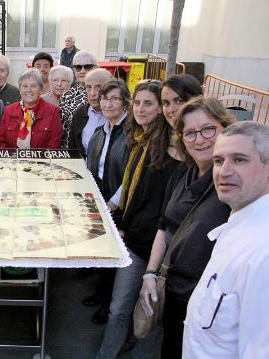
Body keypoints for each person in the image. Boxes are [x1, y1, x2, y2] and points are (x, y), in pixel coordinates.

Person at [140, 97, 234, 359]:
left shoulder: (231, 186)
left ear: (224, 128)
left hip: (205, 305)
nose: (199, 139)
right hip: (173, 293)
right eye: (190, 133)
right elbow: (164, 224)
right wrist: (150, 273)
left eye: (208, 129)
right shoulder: (183, 173)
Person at [94, 80, 178, 359]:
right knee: (119, 307)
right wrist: (114, 208)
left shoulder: (173, 150)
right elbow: (131, 190)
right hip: (134, 236)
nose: (141, 109)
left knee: (148, 317)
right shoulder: (141, 139)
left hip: (157, 243)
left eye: (150, 104)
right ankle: (106, 354)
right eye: (138, 103)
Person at [182, 121, 269, 359]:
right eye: (219, 161)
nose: (224, 171)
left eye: (239, 160)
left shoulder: (263, 254)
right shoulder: (238, 223)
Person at [83, 78, 130, 326]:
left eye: (114, 99)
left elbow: (131, 177)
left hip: (117, 205)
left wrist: (111, 204)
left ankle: (108, 305)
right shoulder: (102, 130)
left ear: (124, 102)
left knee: (114, 256)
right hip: (98, 198)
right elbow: (94, 166)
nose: (108, 103)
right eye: (104, 98)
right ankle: (101, 293)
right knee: (102, 250)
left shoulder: (132, 134)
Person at [0, 68, 62, 149]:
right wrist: (11, 160)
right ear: (20, 89)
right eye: (25, 86)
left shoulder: (53, 112)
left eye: (33, 86)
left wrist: (38, 161)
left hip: (42, 161)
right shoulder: (8, 111)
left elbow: (54, 145)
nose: (29, 90)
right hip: (11, 161)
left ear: (41, 89)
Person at [58, 51, 98, 148]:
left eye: (87, 67)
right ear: (74, 70)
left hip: (98, 151)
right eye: (78, 67)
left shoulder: (106, 94)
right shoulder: (66, 96)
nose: (82, 71)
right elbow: (62, 129)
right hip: (72, 152)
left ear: (96, 68)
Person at [68, 68, 111, 156]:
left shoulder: (119, 115)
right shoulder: (80, 114)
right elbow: (72, 148)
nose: (92, 93)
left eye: (98, 87)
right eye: (88, 87)